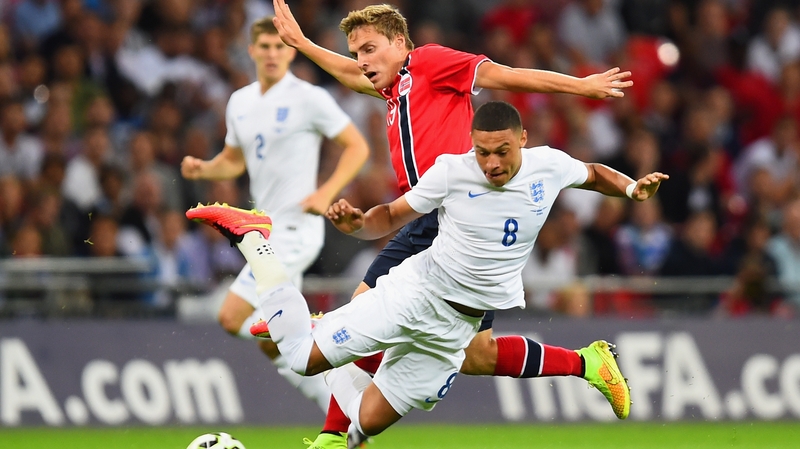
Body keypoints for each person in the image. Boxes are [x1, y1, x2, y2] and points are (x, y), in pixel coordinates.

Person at [188, 101, 667, 449]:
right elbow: (391, 215)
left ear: (523, 139)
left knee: (369, 421)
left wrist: (630, 189)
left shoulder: (549, 165)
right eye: (483, 152)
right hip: (416, 293)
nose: (492, 163)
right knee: (300, 358)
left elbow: (593, 172)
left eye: (502, 151)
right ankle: (255, 238)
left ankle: (323, 349)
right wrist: (358, 223)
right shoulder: (452, 172)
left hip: (456, 328)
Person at [270, 2, 633, 447]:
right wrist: (303, 44)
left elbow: (501, 75)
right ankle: (588, 363)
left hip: (449, 217)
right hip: (433, 216)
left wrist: (581, 86)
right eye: (356, 52)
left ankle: (334, 434)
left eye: (369, 49)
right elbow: (349, 74)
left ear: (400, 43)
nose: (361, 61)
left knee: (362, 311)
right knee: (477, 355)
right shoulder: (394, 88)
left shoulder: (428, 63)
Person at [180, 17, 370, 414]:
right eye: (264, 47)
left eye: (279, 47)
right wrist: (205, 169)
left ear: (290, 52)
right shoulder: (240, 102)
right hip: (264, 234)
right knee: (275, 345)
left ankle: (318, 328)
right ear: (251, 51)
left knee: (232, 318)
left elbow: (357, 146)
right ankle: (348, 417)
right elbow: (234, 161)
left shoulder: (309, 98)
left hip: (295, 230)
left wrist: (326, 192)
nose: (272, 54)